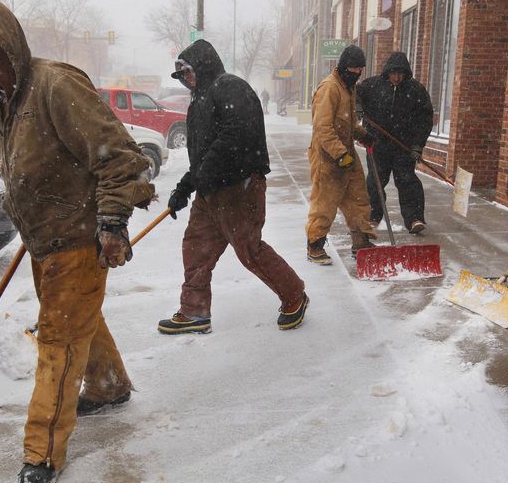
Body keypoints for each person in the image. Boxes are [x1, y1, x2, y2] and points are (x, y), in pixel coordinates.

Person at [0, 0, 154, 483]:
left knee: (58, 342)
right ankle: (107, 384)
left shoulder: (54, 86)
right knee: (79, 318)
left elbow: (118, 158)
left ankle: (42, 451)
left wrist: (111, 224)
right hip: (45, 237)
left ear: (9, 44)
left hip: (76, 237)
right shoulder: (1, 95)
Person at [159, 39, 308, 334]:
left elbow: (236, 136)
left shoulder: (230, 87)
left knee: (249, 250)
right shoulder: (199, 101)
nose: (186, 79)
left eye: (187, 72)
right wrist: (184, 188)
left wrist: (205, 173)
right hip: (209, 192)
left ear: (201, 65)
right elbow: (201, 156)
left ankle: (294, 295)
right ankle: (194, 311)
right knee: (196, 248)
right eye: (181, 75)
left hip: (239, 187)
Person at [306, 45, 377, 265]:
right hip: (328, 156)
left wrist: (362, 134)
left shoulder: (349, 87)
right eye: (353, 68)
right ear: (343, 67)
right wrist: (339, 155)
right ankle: (315, 245)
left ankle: (361, 241)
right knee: (325, 202)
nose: (356, 73)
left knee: (358, 198)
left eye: (360, 69)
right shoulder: (330, 88)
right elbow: (323, 127)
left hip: (347, 152)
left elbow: (348, 121)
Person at [356, 51, 433, 235]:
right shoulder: (372, 86)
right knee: (375, 182)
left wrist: (417, 145)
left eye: (401, 74)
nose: (397, 78)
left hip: (403, 147)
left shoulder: (415, 90)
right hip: (377, 145)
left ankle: (414, 219)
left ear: (406, 73)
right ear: (387, 72)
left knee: (407, 181)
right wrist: (357, 107)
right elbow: (354, 92)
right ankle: (373, 217)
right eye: (393, 73)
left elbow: (425, 120)